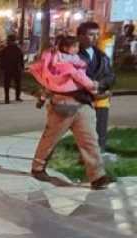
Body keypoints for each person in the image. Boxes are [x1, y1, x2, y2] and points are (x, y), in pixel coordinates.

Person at [29, 35, 114, 190]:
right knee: (50, 138)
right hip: (63, 105)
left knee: (89, 140)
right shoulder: (66, 62)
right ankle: (38, 167)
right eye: (90, 34)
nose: (93, 37)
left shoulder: (87, 57)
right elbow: (73, 80)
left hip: (82, 106)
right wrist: (96, 88)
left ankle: (97, 176)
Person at [77, 21, 116, 154]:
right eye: (91, 34)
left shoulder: (102, 56)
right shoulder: (72, 55)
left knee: (99, 130)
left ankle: (97, 155)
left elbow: (111, 76)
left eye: (97, 34)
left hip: (99, 99)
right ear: (80, 36)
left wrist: (100, 85)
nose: (95, 37)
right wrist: (89, 86)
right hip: (80, 100)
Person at [0, 34, 25, 103]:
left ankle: (7, 98)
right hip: (16, 68)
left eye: (8, 40)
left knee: (7, 84)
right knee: (17, 83)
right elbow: (21, 59)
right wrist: (22, 67)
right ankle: (17, 97)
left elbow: (1, 59)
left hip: (8, 69)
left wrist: (2, 67)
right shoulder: (17, 49)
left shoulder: (5, 49)